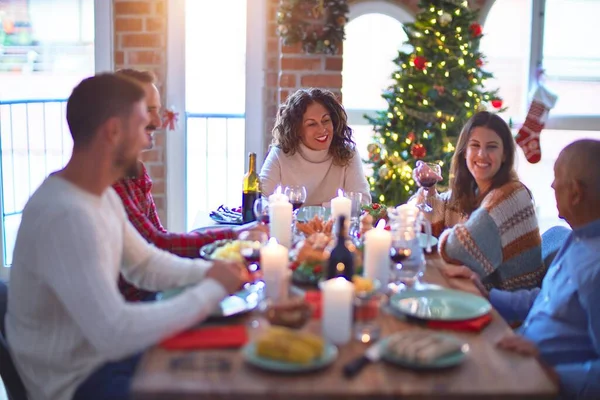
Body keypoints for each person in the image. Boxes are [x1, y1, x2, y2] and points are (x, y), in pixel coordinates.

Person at [5, 73, 249, 400]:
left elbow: (144, 264)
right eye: (142, 125)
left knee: (220, 358)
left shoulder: (99, 194)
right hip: (78, 382)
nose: (148, 139)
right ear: (113, 131)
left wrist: (210, 272)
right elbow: (115, 333)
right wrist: (211, 290)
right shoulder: (65, 215)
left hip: (102, 358)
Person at [443, 139, 600, 399]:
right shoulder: (578, 238)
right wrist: (488, 296)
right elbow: (546, 300)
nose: (552, 185)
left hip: (542, 384)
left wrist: (556, 374)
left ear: (575, 193)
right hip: (517, 354)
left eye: (557, 177)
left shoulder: (595, 268)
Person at [113, 69, 259, 302]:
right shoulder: (112, 184)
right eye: (149, 110)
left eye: (158, 110)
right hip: (138, 299)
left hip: (151, 290)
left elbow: (158, 240)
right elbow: (158, 245)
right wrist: (234, 235)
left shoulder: (135, 172)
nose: (159, 122)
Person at [416, 111, 544, 290]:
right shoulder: (473, 190)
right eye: (475, 145)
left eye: (491, 147)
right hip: (480, 296)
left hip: (508, 311)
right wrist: (427, 189)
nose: (482, 154)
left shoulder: (512, 194)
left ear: (505, 155)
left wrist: (448, 233)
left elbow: (456, 249)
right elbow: (426, 224)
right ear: (464, 153)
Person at [260, 88, 371, 206]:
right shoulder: (280, 154)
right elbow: (259, 197)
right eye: (312, 124)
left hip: (333, 224)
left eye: (326, 120)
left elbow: (362, 200)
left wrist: (314, 211)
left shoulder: (348, 153)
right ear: (297, 130)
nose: (322, 129)